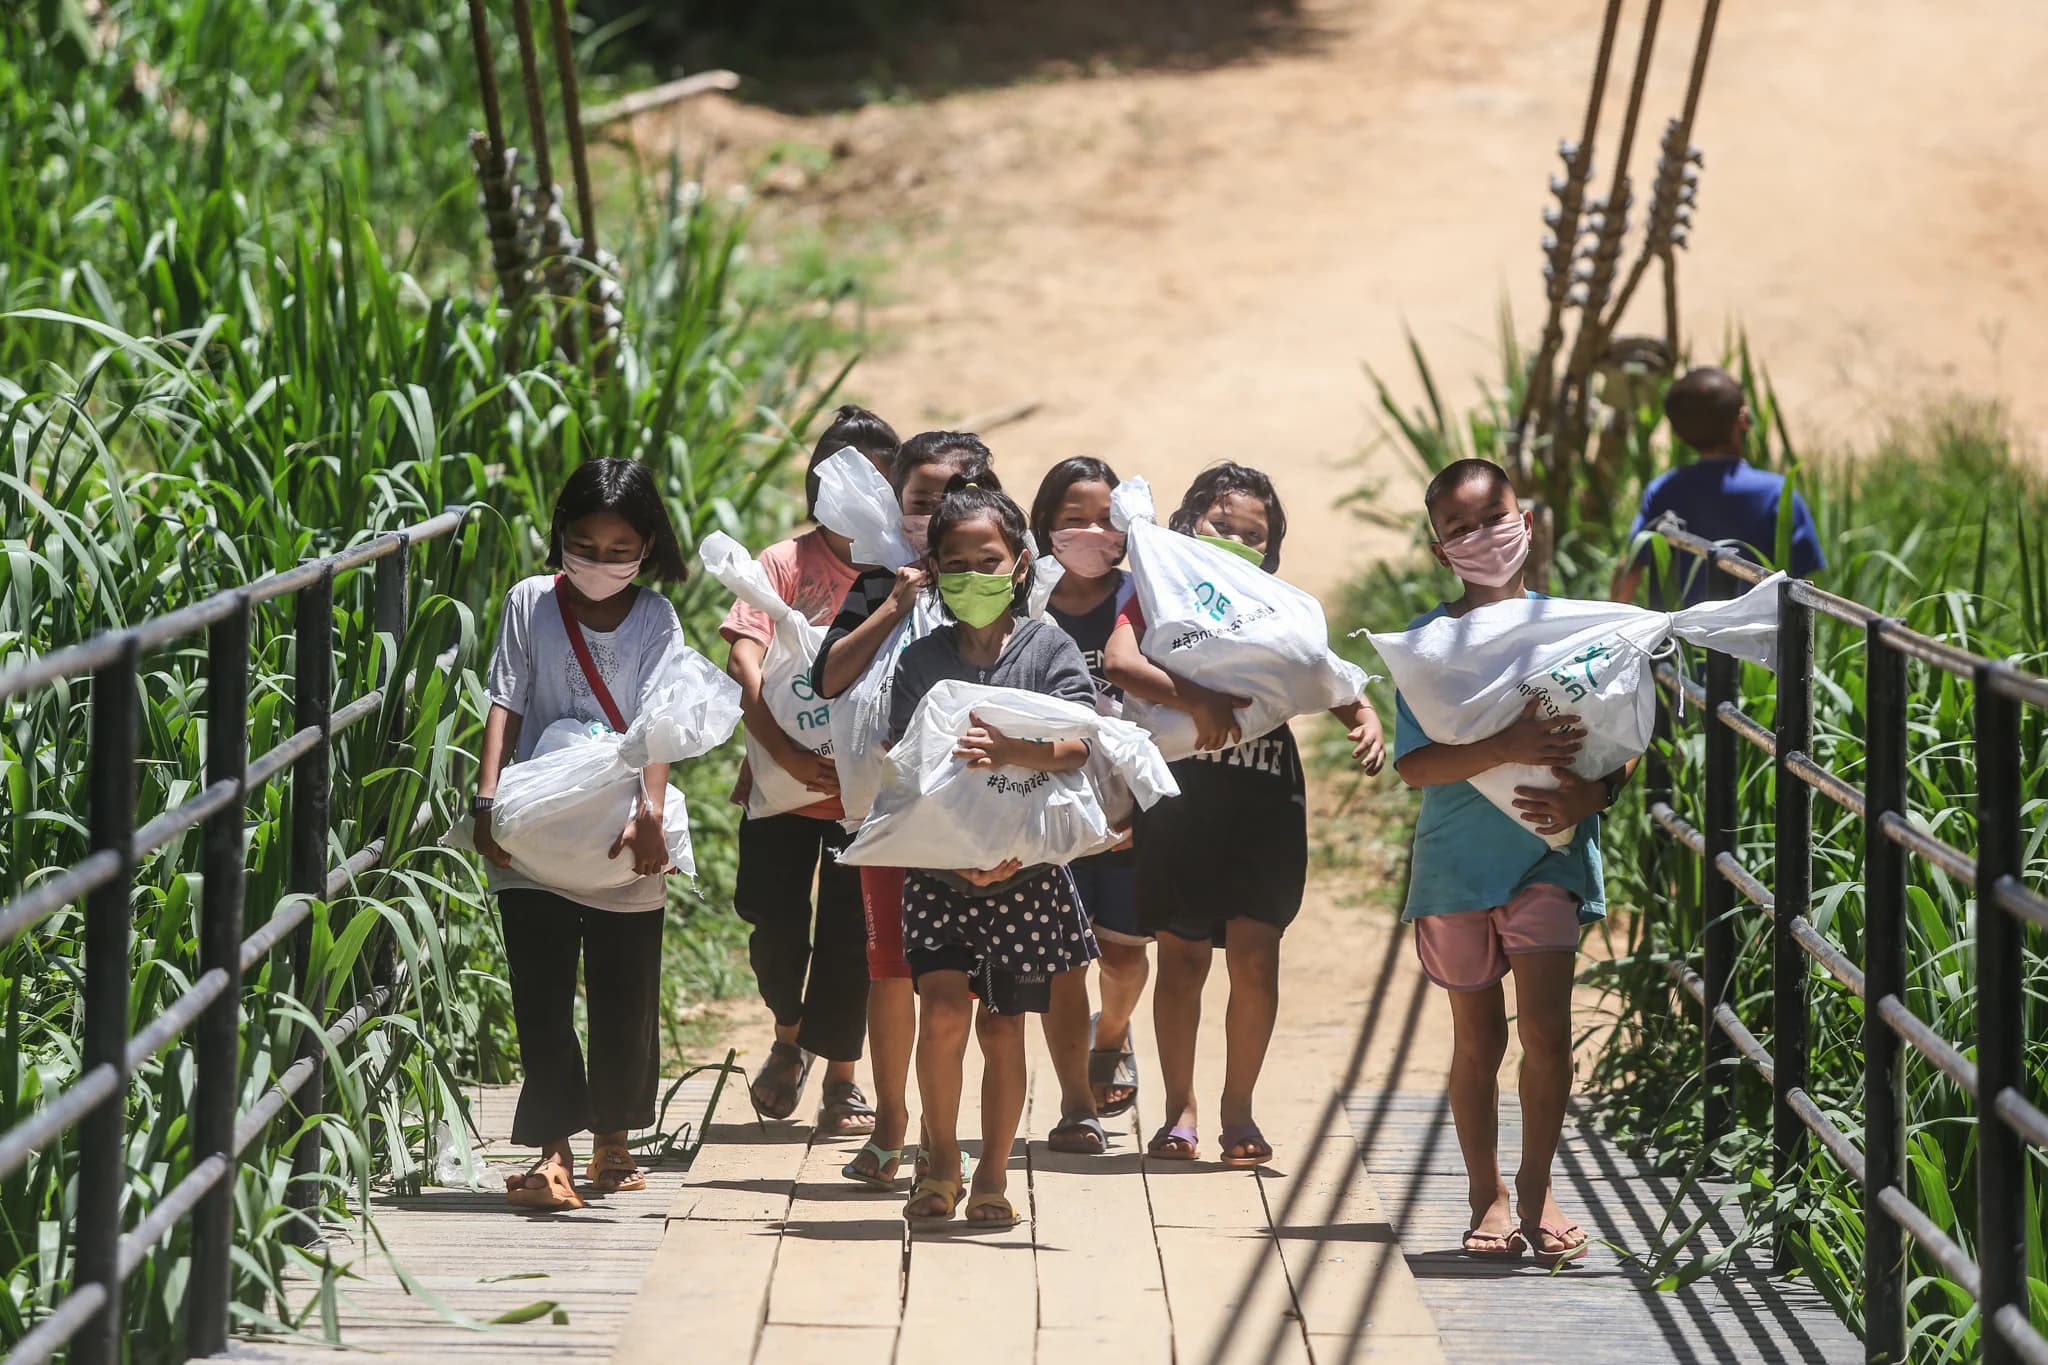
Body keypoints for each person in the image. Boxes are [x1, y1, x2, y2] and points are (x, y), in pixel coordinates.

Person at [1104, 463, 1385, 1168]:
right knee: (1183, 958)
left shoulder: (1274, 603)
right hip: (1180, 803)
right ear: (1185, 526)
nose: (1234, 538)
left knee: (1257, 959)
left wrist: (1363, 712)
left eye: (1252, 533)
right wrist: (1196, 700)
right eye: (1220, 524)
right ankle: (1179, 1110)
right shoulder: (1158, 590)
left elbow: (1317, 667)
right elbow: (1119, 662)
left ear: (1271, 550)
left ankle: (1239, 1109)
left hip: (1267, 802)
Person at [1393, 457, 1631, 1265]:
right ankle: (1484, 1190)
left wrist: (1590, 802)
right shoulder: (1429, 646)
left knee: (1550, 1033)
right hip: (1455, 867)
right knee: (1476, 1041)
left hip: (1550, 859)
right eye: (1459, 527)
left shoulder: (1578, 630)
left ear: (1527, 520)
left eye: (1494, 516)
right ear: (1439, 549)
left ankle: (1537, 1186)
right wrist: (1503, 745)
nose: (1482, 537)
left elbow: (1622, 742)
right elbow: (1414, 764)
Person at [472, 457, 696, 1211]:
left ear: (648, 547)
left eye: (619, 547)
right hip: (533, 826)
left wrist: (651, 814)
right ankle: (553, 1151)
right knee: (539, 990)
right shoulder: (529, 602)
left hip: (619, 824)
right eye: (585, 543)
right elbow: (505, 697)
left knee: (625, 985)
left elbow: (660, 721)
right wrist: (486, 800)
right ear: (560, 536)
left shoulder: (658, 620)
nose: (601, 561)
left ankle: (613, 1137)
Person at [887, 478, 1100, 1225]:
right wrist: (955, 856)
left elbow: (1080, 746)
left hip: (1028, 876)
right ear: (934, 571)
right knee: (942, 1013)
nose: (973, 575)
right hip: (938, 875)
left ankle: (996, 1175)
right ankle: (940, 1162)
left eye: (988, 559)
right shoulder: (919, 664)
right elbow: (903, 771)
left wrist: (1014, 748)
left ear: (1020, 563)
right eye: (955, 562)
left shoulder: (1050, 648)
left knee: (1004, 1025)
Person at [807, 430, 1001, 1189]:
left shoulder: (1001, 581)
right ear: (898, 502)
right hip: (886, 818)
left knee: (975, 986)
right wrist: (897, 600)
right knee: (889, 969)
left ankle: (960, 1134)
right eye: (922, 500)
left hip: (982, 818)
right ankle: (892, 1127)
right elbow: (831, 679)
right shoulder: (874, 582)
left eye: (954, 497)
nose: (935, 513)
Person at [724, 405, 901, 1133]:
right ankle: (789, 1030)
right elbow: (745, 658)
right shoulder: (782, 564)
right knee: (772, 921)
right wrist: (789, 751)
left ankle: (842, 1076)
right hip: (779, 792)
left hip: (862, 802)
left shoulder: (900, 573)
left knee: (852, 940)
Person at [1028, 457, 1149, 1154]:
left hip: (1130, 811)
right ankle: (1077, 1104)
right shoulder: (1026, 603)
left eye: (1105, 519)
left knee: (1125, 957)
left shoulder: (1145, 595)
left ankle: (1114, 1031)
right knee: (1063, 962)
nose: (1090, 531)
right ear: (1044, 526)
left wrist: (1141, 811)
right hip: (1047, 809)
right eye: (1072, 518)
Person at [1612, 366, 1825, 606]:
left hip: (1678, 639)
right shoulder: (1777, 494)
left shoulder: (1663, 489)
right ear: (1744, 421)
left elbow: (1629, 570)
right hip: (1757, 640)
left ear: (1677, 434)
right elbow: (1801, 583)